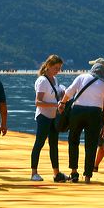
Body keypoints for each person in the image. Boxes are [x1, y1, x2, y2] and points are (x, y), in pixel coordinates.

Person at [57, 63, 104, 183]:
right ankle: (87, 176)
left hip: (77, 111)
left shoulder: (82, 77)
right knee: (91, 145)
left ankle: (74, 172)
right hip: (95, 114)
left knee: (73, 140)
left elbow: (69, 92)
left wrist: (62, 103)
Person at [30, 54, 67, 183]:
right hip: (43, 116)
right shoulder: (42, 81)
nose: (58, 71)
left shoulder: (55, 80)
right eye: (56, 68)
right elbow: (38, 102)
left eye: (59, 68)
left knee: (54, 145)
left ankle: (56, 173)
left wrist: (61, 101)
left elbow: (55, 97)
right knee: (39, 143)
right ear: (49, 66)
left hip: (53, 116)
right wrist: (55, 105)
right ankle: (34, 173)